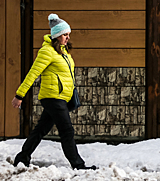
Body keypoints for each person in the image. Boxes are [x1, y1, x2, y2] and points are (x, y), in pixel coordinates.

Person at [11, 14, 96, 170]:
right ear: (56, 36)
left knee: (41, 129)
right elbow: (32, 73)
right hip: (52, 97)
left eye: (68, 34)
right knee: (67, 130)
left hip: (61, 97)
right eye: (64, 34)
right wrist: (19, 95)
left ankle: (22, 157)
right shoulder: (47, 52)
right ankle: (78, 164)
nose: (67, 37)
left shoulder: (63, 52)